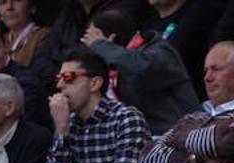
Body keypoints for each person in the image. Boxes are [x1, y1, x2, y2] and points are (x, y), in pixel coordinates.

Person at [81, 8, 201, 137]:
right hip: (150, 143)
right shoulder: (115, 67)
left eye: (93, 41)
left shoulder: (160, 51)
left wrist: (102, 47)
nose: (92, 49)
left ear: (111, 40)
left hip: (183, 138)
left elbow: (142, 70)